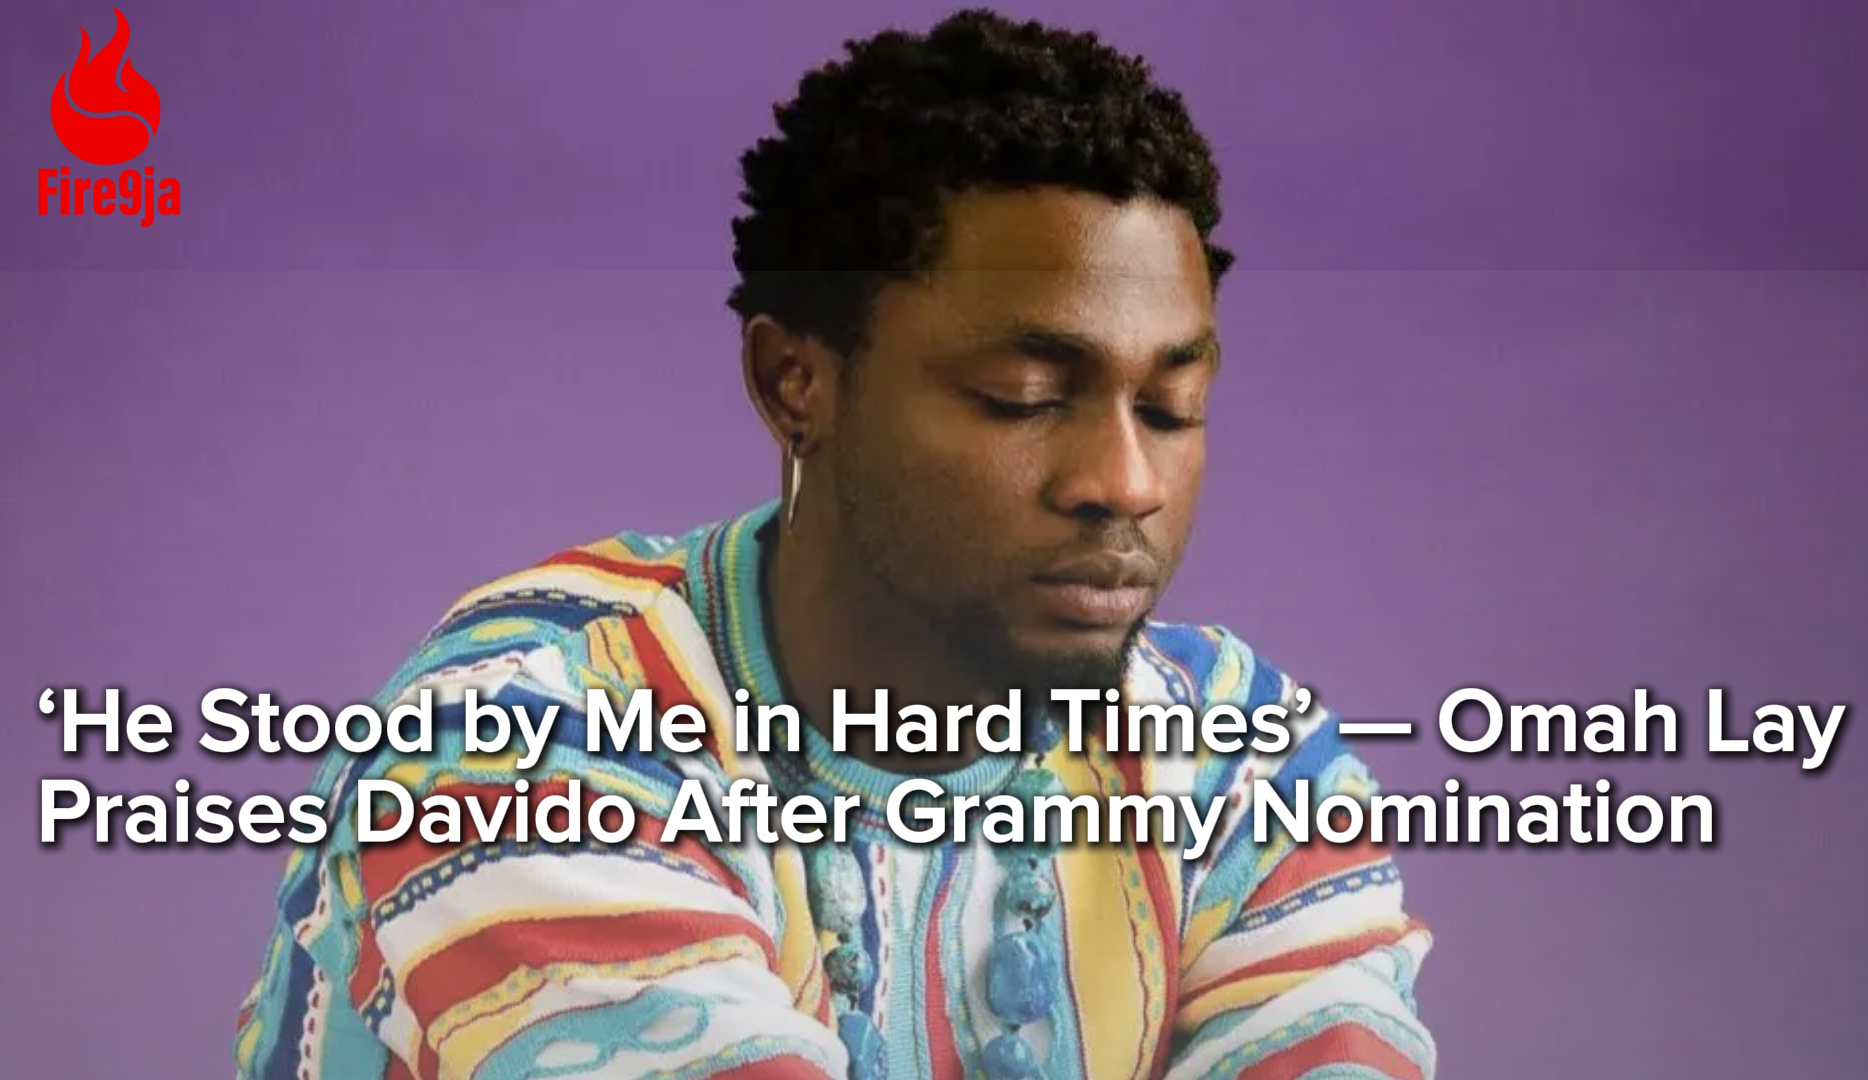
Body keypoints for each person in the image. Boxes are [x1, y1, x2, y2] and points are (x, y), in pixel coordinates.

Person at [233, 10, 1434, 1079]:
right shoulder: (521, 730)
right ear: (793, 381)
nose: (1123, 482)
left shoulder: (1238, 760)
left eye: (1169, 408)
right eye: (1021, 397)